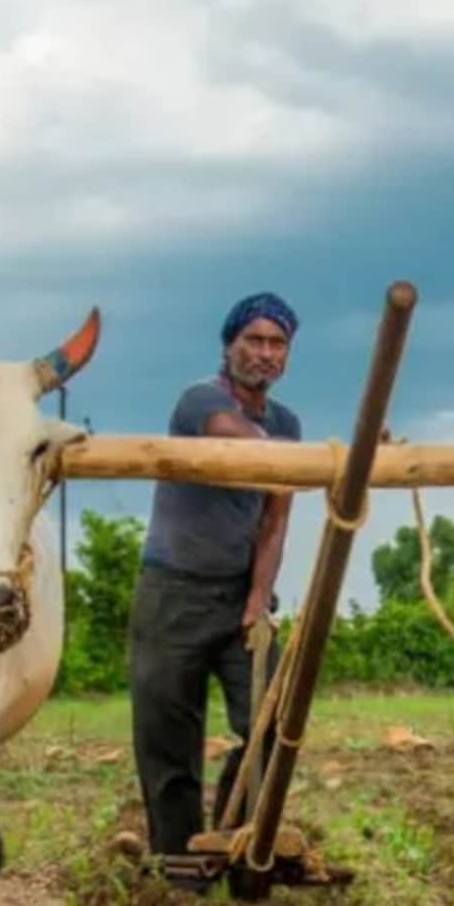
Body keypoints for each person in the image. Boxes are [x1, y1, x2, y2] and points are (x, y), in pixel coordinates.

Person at [127, 292, 303, 857]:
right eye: (253, 340)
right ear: (229, 347)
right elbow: (242, 445)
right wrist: (321, 461)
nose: (265, 353)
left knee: (272, 721)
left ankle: (235, 837)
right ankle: (177, 860)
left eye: (277, 344)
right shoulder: (200, 402)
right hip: (172, 592)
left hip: (239, 596)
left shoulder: (286, 423)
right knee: (168, 737)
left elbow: (276, 519)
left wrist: (257, 598)